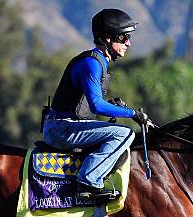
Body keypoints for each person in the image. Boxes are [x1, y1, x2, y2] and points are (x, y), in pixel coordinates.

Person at [43, 8, 150, 200]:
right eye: (123, 37)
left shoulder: (98, 61)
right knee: (125, 133)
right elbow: (96, 106)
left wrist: (113, 105)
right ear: (108, 38)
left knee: (116, 131)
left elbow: (86, 105)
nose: (128, 43)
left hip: (67, 125)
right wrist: (133, 114)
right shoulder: (91, 63)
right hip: (61, 128)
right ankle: (88, 181)